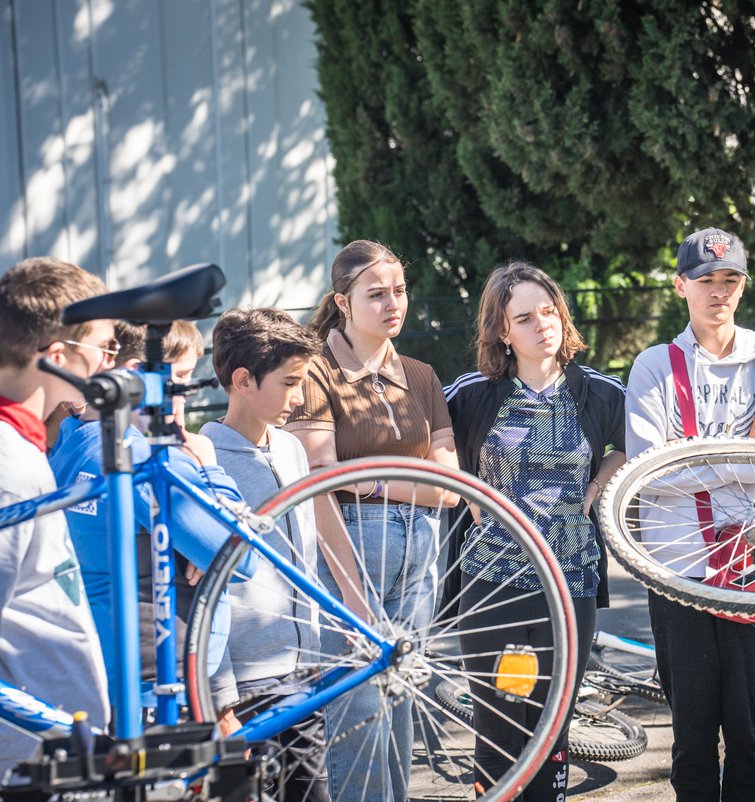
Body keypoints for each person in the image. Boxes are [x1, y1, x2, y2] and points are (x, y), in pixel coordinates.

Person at [625, 227, 755, 802]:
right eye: (705, 281)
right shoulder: (655, 365)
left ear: (743, 287)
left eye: (730, 281)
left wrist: (699, 454)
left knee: (751, 735)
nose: (718, 292)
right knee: (691, 736)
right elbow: (648, 474)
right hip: (678, 572)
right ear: (682, 287)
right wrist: (741, 450)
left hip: (754, 567)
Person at [442, 261, 627, 799]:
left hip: (571, 586)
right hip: (491, 584)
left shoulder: (598, 393)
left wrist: (597, 487)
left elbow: (633, 449)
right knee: (499, 728)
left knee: (552, 729)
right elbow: (435, 447)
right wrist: (468, 491)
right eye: (524, 317)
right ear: (502, 331)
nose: (541, 324)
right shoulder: (474, 395)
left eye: (548, 311)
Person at [285, 239, 459, 801]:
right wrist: (400, 483)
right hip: (350, 541)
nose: (393, 304)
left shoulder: (421, 374)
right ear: (342, 301)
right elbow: (319, 476)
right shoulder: (315, 372)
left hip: (423, 546)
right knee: (357, 697)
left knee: (400, 687)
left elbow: (450, 485)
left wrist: (372, 478)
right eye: (376, 293)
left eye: (400, 291)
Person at [48, 320, 255, 726]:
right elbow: (242, 556)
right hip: (160, 679)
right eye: (178, 379)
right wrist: (209, 466)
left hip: (106, 670)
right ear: (135, 375)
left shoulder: (71, 438)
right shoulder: (141, 458)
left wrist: (198, 539)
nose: (183, 397)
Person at [201, 307, 329, 802]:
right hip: (245, 686)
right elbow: (204, 591)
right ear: (242, 380)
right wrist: (220, 700)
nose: (299, 399)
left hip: (302, 670)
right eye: (290, 383)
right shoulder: (206, 461)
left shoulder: (292, 450)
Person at [0, 257, 110, 772]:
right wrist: (54, 726)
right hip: (34, 757)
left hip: (58, 747)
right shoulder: (8, 466)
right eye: (103, 349)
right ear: (60, 357)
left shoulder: (24, 448)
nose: (109, 365)